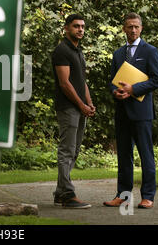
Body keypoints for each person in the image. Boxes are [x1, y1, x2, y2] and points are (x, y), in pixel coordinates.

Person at [104, 12, 158, 209]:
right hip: (122, 112)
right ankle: (123, 195)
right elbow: (112, 81)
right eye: (129, 26)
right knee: (123, 156)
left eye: (136, 26)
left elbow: (157, 80)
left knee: (146, 155)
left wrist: (133, 89)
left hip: (142, 113)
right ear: (124, 29)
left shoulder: (150, 51)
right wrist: (116, 92)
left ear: (141, 28)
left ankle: (148, 196)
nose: (133, 30)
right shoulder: (118, 53)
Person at [51, 14, 95, 209]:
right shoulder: (62, 50)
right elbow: (65, 84)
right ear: (66, 28)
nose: (80, 30)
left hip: (79, 107)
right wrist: (81, 105)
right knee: (67, 150)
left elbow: (81, 82)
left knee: (74, 150)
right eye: (76, 26)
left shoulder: (78, 51)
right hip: (68, 107)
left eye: (83, 27)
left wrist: (89, 103)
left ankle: (61, 192)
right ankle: (68, 195)